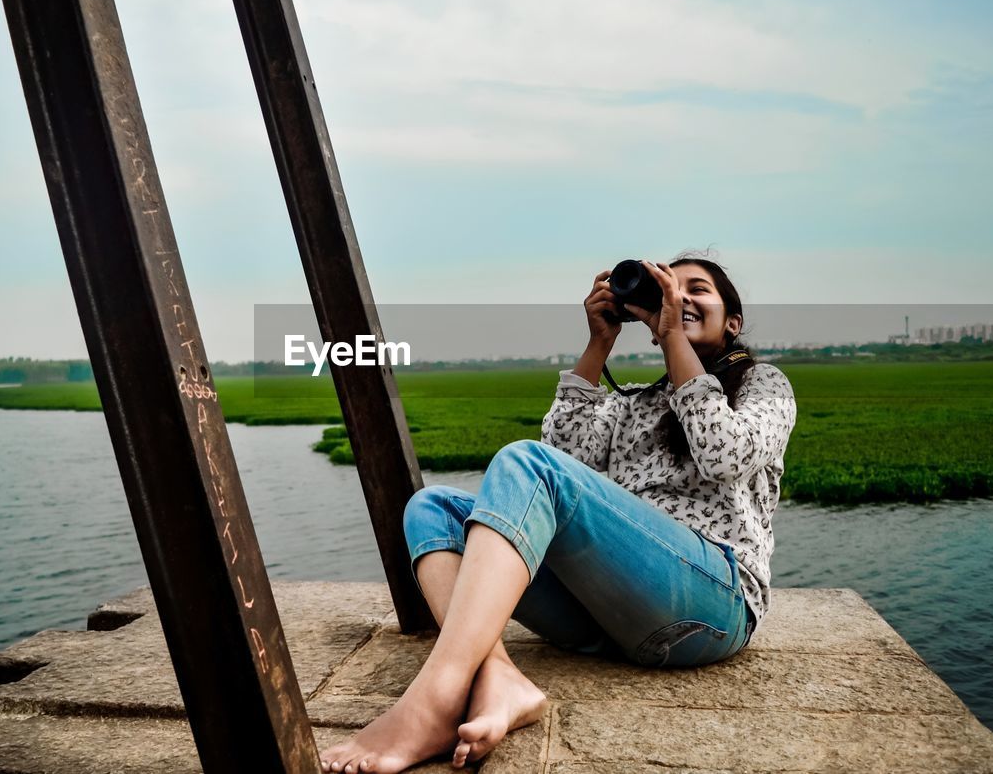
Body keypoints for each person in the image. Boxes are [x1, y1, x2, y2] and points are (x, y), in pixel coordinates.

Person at [319, 255, 797, 774]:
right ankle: (498, 678)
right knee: (432, 508)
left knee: (526, 462)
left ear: (733, 321)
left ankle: (435, 697)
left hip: (712, 607)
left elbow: (723, 456)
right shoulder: (634, 403)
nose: (680, 300)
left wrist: (675, 340)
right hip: (608, 615)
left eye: (696, 290)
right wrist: (599, 343)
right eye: (669, 292)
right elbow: (563, 459)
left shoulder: (764, 386)